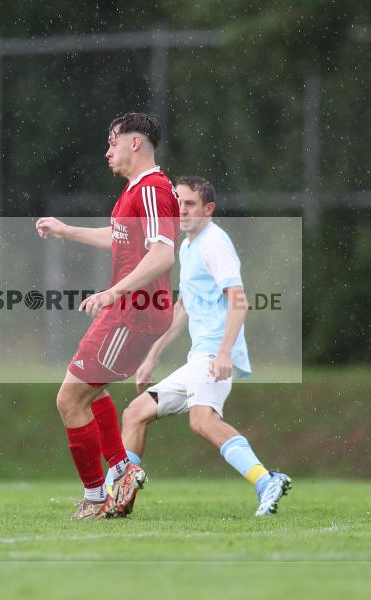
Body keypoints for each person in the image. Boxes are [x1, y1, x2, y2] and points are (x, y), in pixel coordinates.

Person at [112, 176, 292, 517]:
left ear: (208, 209)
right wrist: (152, 356)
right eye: (177, 202)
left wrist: (225, 353)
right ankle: (119, 500)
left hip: (213, 356)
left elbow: (239, 302)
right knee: (134, 414)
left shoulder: (213, 244)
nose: (181, 210)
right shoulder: (187, 245)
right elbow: (184, 307)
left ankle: (265, 480)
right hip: (198, 360)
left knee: (202, 421)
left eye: (190, 204)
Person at [36, 113, 179, 520]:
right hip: (126, 310)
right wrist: (67, 231)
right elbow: (116, 237)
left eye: (113, 142)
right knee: (90, 392)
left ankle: (97, 497)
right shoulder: (135, 191)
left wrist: (114, 292)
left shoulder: (151, 189)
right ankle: (122, 471)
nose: (108, 151)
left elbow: (164, 252)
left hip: (134, 313)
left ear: (136, 143)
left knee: (69, 399)